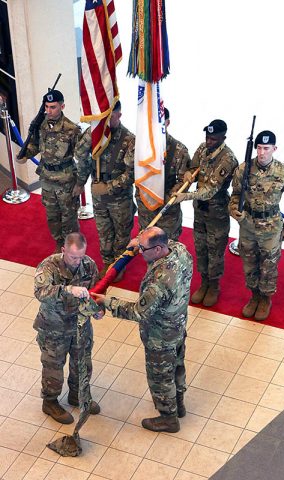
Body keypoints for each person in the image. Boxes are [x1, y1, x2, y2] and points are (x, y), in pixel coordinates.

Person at [92, 226, 193, 433]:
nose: (139, 251)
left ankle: (168, 418)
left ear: (157, 250)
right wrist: (138, 244)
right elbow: (168, 242)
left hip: (160, 335)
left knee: (160, 377)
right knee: (177, 366)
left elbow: (139, 312)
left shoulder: (160, 281)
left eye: (142, 249)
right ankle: (178, 404)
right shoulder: (180, 251)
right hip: (178, 325)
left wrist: (107, 302)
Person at [229, 130, 284, 320]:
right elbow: (235, 195)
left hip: (271, 227)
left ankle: (266, 298)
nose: (261, 153)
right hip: (248, 224)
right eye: (259, 148)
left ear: (274, 149)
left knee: (269, 264)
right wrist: (234, 209)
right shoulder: (243, 169)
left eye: (266, 148)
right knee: (249, 262)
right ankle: (254, 296)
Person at [34, 232, 103, 424]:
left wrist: (97, 310)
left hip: (80, 326)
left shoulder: (88, 264)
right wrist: (67, 290)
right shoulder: (49, 266)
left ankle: (77, 395)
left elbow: (95, 292)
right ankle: (50, 402)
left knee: (82, 364)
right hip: (54, 328)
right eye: (73, 257)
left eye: (80, 256)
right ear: (64, 250)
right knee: (53, 367)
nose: (77, 261)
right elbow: (41, 292)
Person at [173, 119, 238, 306]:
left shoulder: (227, 158)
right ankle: (204, 282)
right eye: (207, 137)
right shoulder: (202, 149)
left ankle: (214, 285)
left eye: (213, 139)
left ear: (222, 138)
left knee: (215, 250)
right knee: (200, 247)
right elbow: (193, 168)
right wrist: (188, 174)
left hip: (216, 212)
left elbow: (210, 190)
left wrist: (185, 196)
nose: (209, 141)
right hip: (200, 211)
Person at [73, 101, 135, 280]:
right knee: (104, 231)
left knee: (121, 232)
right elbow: (81, 156)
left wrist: (109, 187)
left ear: (119, 115)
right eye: (103, 118)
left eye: (110, 117)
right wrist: (81, 182)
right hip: (99, 196)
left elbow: (132, 174)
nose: (106, 122)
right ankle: (108, 261)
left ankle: (118, 265)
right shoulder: (95, 135)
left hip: (119, 198)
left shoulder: (129, 140)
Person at [17, 90, 81, 252]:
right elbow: (35, 145)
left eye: (53, 107)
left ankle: (72, 245)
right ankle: (59, 243)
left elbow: (83, 158)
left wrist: (80, 182)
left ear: (62, 106)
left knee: (69, 216)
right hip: (46, 178)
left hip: (66, 180)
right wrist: (26, 154)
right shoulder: (41, 124)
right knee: (52, 215)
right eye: (46, 107)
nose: (49, 111)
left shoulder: (71, 129)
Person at [136, 107, 191, 240]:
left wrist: (168, 197)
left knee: (168, 247)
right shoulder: (140, 146)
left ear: (167, 123)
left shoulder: (179, 150)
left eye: (160, 122)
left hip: (167, 210)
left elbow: (184, 181)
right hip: (146, 206)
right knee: (148, 245)